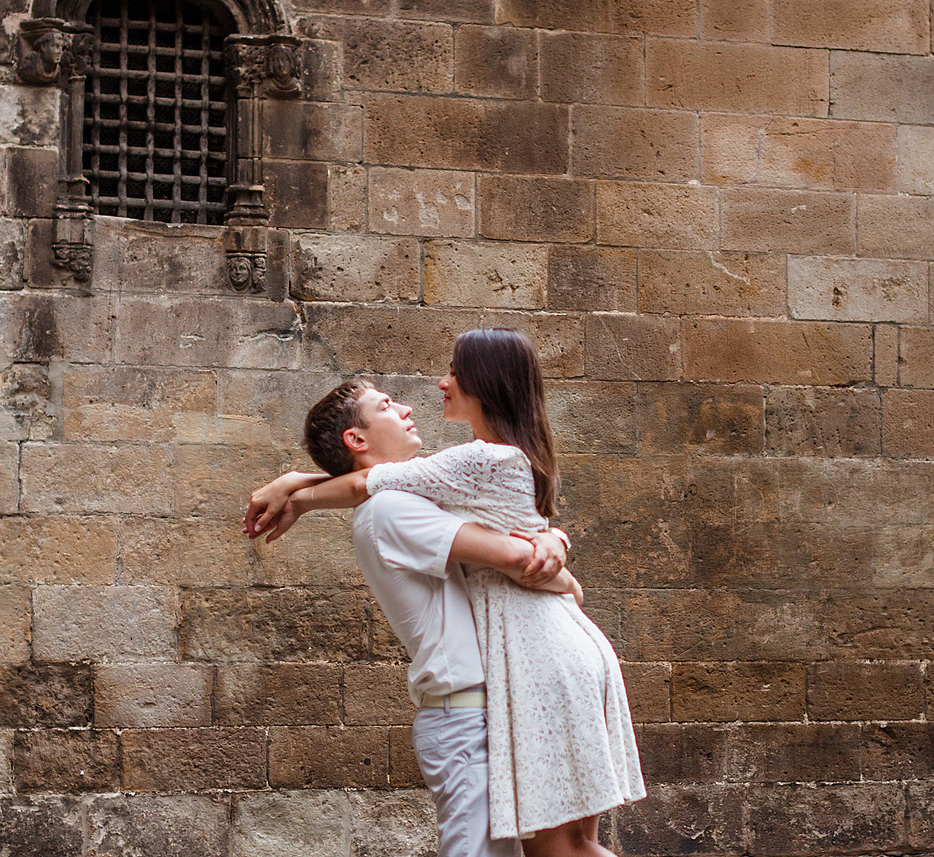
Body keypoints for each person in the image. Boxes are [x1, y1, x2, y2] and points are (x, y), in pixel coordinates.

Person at [246, 330, 646, 857]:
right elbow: (512, 550)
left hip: (534, 661)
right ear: (358, 440)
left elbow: (381, 485)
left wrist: (296, 487)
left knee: (562, 850)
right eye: (387, 405)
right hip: (517, 672)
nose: (432, 388)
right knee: (566, 848)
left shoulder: (453, 474)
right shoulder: (400, 504)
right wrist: (556, 556)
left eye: (453, 372)